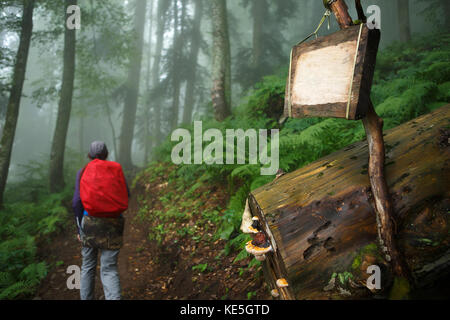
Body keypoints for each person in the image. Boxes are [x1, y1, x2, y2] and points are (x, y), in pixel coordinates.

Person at [72, 141, 129, 300]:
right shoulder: (116, 169)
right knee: (109, 268)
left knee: (88, 266)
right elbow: (126, 195)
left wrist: (79, 229)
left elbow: (76, 202)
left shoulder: (83, 171)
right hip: (113, 223)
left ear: (89, 155)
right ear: (107, 154)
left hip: (89, 222)